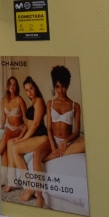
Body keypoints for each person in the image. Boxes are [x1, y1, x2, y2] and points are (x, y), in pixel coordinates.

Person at [28, 65, 85, 208]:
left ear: (68, 85)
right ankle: (40, 197)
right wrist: (54, 147)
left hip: (67, 142)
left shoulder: (75, 106)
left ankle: (49, 157)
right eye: (58, 86)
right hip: (52, 140)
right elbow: (49, 129)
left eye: (64, 86)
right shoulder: (50, 103)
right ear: (54, 86)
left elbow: (77, 132)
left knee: (85, 141)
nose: (61, 90)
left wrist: (66, 141)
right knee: (36, 154)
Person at [7, 76, 49, 197]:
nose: (29, 92)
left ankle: (29, 187)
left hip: (41, 136)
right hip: (33, 136)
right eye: (26, 90)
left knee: (15, 148)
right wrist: (20, 136)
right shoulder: (33, 102)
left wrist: (23, 139)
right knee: (10, 142)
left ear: (35, 88)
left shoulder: (39, 101)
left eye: (31, 88)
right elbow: (27, 124)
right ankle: (11, 180)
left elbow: (35, 124)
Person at [0, 76, 27, 187]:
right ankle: (4, 178)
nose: (12, 87)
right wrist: (1, 127)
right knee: (5, 149)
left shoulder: (19, 99)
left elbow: (25, 118)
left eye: (15, 84)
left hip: (19, 128)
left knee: (5, 136)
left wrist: (27, 130)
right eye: (10, 84)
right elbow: (3, 117)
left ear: (17, 87)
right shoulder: (3, 100)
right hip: (9, 128)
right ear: (7, 86)